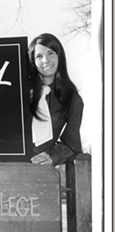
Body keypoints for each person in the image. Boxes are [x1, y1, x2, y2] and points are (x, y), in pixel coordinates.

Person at [28, 33, 83, 166]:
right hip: (8, 165)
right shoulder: (21, 94)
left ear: (60, 56)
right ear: (33, 62)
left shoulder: (72, 100)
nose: (46, 60)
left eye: (51, 53)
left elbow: (71, 144)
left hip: (41, 169)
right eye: (39, 56)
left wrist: (53, 157)